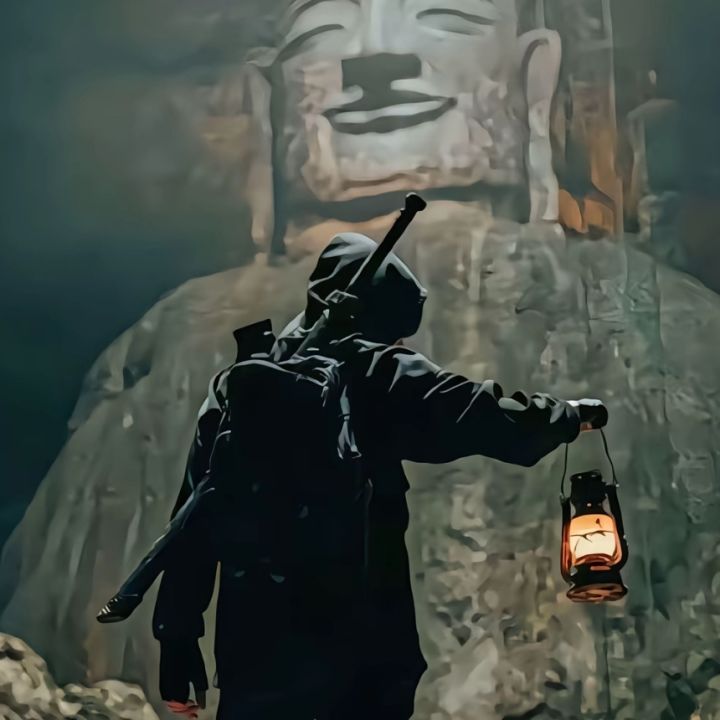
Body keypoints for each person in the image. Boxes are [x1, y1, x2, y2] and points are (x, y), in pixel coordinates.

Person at [152, 232, 607, 720]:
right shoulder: (371, 370)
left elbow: (192, 520)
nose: (401, 343)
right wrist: (568, 415)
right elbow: (481, 413)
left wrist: (176, 640)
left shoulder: (237, 388)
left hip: (257, 661)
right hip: (360, 658)